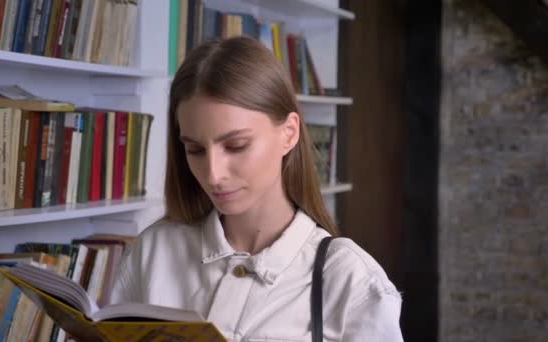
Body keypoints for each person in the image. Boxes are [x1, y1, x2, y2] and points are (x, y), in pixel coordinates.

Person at [110, 36, 404, 341]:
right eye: (195, 150)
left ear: (288, 134)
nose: (213, 174)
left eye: (236, 146)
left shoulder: (349, 280)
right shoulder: (153, 252)